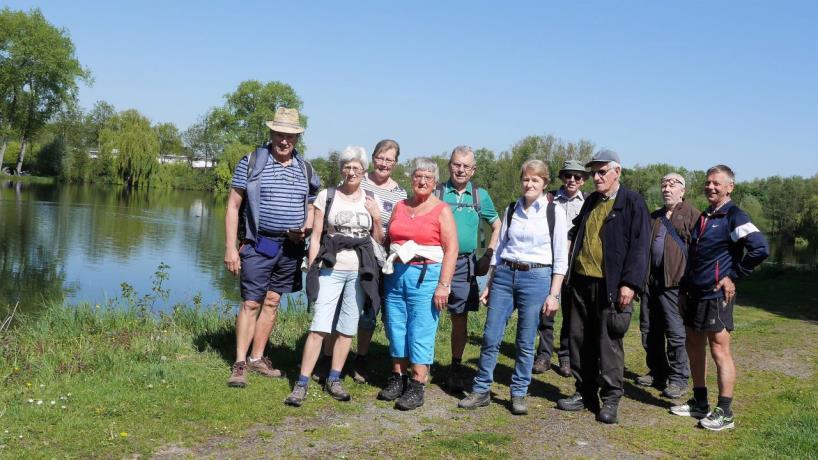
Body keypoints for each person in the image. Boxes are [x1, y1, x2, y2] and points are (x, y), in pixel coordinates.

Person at [458, 160, 568, 415]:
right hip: (506, 275)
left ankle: (518, 392)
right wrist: (489, 282)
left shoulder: (555, 213)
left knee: (526, 340)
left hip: (536, 277)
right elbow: (499, 249)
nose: (529, 184)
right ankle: (481, 389)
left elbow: (561, 257)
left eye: (535, 180)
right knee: (490, 336)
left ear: (544, 183)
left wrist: (554, 294)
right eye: (526, 179)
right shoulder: (512, 208)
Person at [224, 107, 320, 388]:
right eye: (279, 134)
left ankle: (257, 357)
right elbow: (232, 206)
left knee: (272, 301)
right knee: (251, 302)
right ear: (271, 133)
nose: (284, 140)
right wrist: (231, 248)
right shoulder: (252, 161)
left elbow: (314, 204)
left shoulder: (306, 169)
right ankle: (239, 363)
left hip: (290, 246)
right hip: (259, 242)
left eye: (290, 136)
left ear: (297, 138)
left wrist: (307, 225)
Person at [670, 165, 769, 431]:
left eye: (717, 183)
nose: (710, 187)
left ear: (730, 187)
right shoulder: (705, 216)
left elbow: (760, 248)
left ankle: (725, 412)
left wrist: (733, 275)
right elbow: (695, 258)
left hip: (716, 295)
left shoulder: (734, 216)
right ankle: (699, 402)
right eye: (708, 182)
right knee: (693, 344)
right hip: (694, 293)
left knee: (719, 349)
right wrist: (683, 289)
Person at [556, 149, 650, 424]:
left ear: (616, 172)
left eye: (601, 172)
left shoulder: (632, 202)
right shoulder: (592, 201)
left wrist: (629, 284)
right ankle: (584, 393)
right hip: (580, 282)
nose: (595, 178)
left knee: (608, 342)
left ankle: (610, 399)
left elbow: (640, 247)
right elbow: (576, 232)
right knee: (578, 339)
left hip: (611, 286)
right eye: (593, 173)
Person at [284, 146, 383, 407]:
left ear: (364, 171)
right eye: (347, 167)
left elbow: (379, 240)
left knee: (347, 328)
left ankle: (334, 378)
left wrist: (376, 217)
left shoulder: (371, 199)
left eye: (356, 168)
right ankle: (302, 382)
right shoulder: (327, 196)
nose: (351, 172)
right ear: (341, 169)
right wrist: (314, 266)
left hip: (359, 271)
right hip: (330, 268)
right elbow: (315, 237)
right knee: (318, 326)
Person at [378, 158, 458, 410]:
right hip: (396, 274)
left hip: (426, 275)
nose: (422, 181)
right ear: (411, 179)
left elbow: (451, 249)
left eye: (428, 177)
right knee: (395, 326)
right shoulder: (400, 206)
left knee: (421, 329)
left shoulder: (441, 209)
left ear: (435, 182)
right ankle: (398, 377)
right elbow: (387, 238)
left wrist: (444, 285)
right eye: (418, 176)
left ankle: (417, 383)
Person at [435, 146, 501, 392]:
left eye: (466, 166)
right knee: (425, 312)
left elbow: (497, 225)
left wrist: (489, 255)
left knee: (459, 317)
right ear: (449, 165)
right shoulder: (437, 192)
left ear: (473, 170)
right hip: (436, 261)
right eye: (456, 164)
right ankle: (419, 365)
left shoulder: (479, 196)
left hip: (465, 263)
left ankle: (455, 366)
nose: (460, 170)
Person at [635, 173, 699, 399]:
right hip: (650, 283)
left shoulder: (693, 216)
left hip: (675, 285)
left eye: (673, 184)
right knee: (649, 329)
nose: (667, 188)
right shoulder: (655, 217)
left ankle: (679, 378)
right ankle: (657, 372)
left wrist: (692, 284)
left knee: (675, 332)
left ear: (683, 191)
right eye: (664, 184)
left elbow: (699, 252)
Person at [351, 139, 408, 384]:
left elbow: (396, 230)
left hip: (384, 259)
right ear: (373, 158)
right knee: (355, 307)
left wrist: (377, 220)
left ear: (395, 163)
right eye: (380, 158)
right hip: (354, 256)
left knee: (376, 310)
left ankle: (370, 360)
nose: (384, 164)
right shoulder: (359, 182)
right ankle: (339, 356)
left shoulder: (400, 194)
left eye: (389, 159)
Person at [533, 159, 588, 378]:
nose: (572, 180)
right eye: (568, 176)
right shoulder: (548, 199)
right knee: (546, 312)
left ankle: (565, 356)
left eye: (577, 176)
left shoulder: (588, 202)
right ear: (562, 178)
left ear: (583, 180)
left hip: (574, 266)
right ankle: (544, 355)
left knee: (571, 314)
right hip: (548, 263)